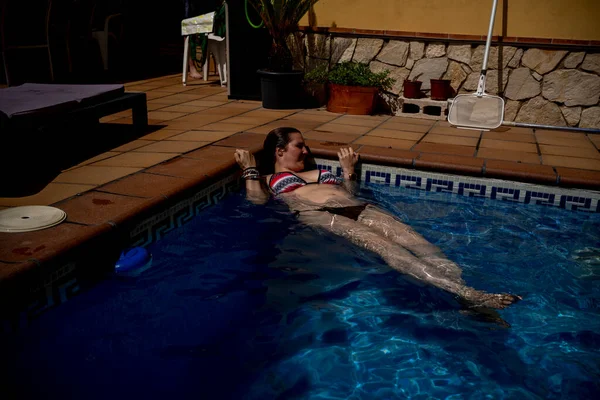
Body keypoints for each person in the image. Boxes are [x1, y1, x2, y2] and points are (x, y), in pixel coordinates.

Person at [234, 127, 522, 312]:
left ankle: (463, 296)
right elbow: (257, 201)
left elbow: (348, 192)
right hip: (322, 216)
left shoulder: (319, 171)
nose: (306, 151)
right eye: (300, 146)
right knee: (389, 250)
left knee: (423, 247)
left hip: (360, 207)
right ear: (279, 150)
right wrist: (249, 169)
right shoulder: (268, 179)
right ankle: (469, 294)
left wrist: (348, 172)